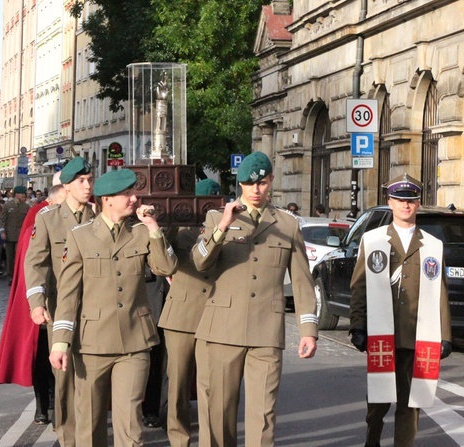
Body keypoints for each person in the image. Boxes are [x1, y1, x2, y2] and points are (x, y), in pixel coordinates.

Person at [192, 151, 318, 447]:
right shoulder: (216, 218)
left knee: (263, 415)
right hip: (222, 331)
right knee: (218, 414)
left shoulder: (287, 224)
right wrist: (223, 226)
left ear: (271, 181)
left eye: (262, 183)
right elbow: (199, 262)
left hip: (265, 332)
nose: (256, 190)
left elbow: (301, 281)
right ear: (240, 184)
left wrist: (308, 331)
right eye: (250, 184)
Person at [49, 168, 178, 446]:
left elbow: (167, 267)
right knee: (90, 422)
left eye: (134, 192)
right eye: (127, 194)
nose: (134, 198)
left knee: (130, 421)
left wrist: (154, 228)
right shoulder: (80, 236)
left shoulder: (142, 232)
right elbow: (68, 295)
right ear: (107, 199)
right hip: (92, 343)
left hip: (134, 342)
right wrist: (60, 342)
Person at [349, 174, 452, 447]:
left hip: (418, 337)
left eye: (411, 200)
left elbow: (440, 290)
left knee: (410, 404)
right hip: (383, 335)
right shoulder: (373, 240)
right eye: (400, 200)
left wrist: (446, 335)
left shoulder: (432, 245)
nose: (406, 205)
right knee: (378, 404)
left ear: (418, 204)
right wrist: (357, 325)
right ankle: (372, 441)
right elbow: (359, 286)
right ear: (390, 202)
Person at [25, 157, 95, 444]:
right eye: (81, 181)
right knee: (64, 378)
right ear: (66, 186)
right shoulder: (48, 218)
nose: (88, 186)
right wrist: (37, 302)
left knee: (91, 375)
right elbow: (36, 263)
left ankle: (90, 433)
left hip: (94, 307)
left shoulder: (98, 215)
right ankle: (68, 436)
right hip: (60, 307)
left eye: (90, 180)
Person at [0, 176, 65, 426]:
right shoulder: (38, 214)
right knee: (41, 355)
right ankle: (42, 405)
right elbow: (30, 258)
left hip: (65, 299)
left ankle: (58, 403)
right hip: (41, 299)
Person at [157, 179, 221, 447]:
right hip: (181, 316)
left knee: (211, 387)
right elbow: (163, 257)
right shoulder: (179, 229)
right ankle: (178, 438)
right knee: (178, 383)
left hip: (215, 314)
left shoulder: (225, 228)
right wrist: (169, 219)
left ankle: (210, 439)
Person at [0, 185, 31, 285]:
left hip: (21, 235)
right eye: (22, 194)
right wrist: (2, 232)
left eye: (24, 194)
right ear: (16, 194)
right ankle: (10, 276)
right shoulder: (7, 205)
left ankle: (18, 276)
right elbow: (2, 220)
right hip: (9, 234)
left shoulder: (26, 206)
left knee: (19, 256)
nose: (23, 196)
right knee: (9, 257)